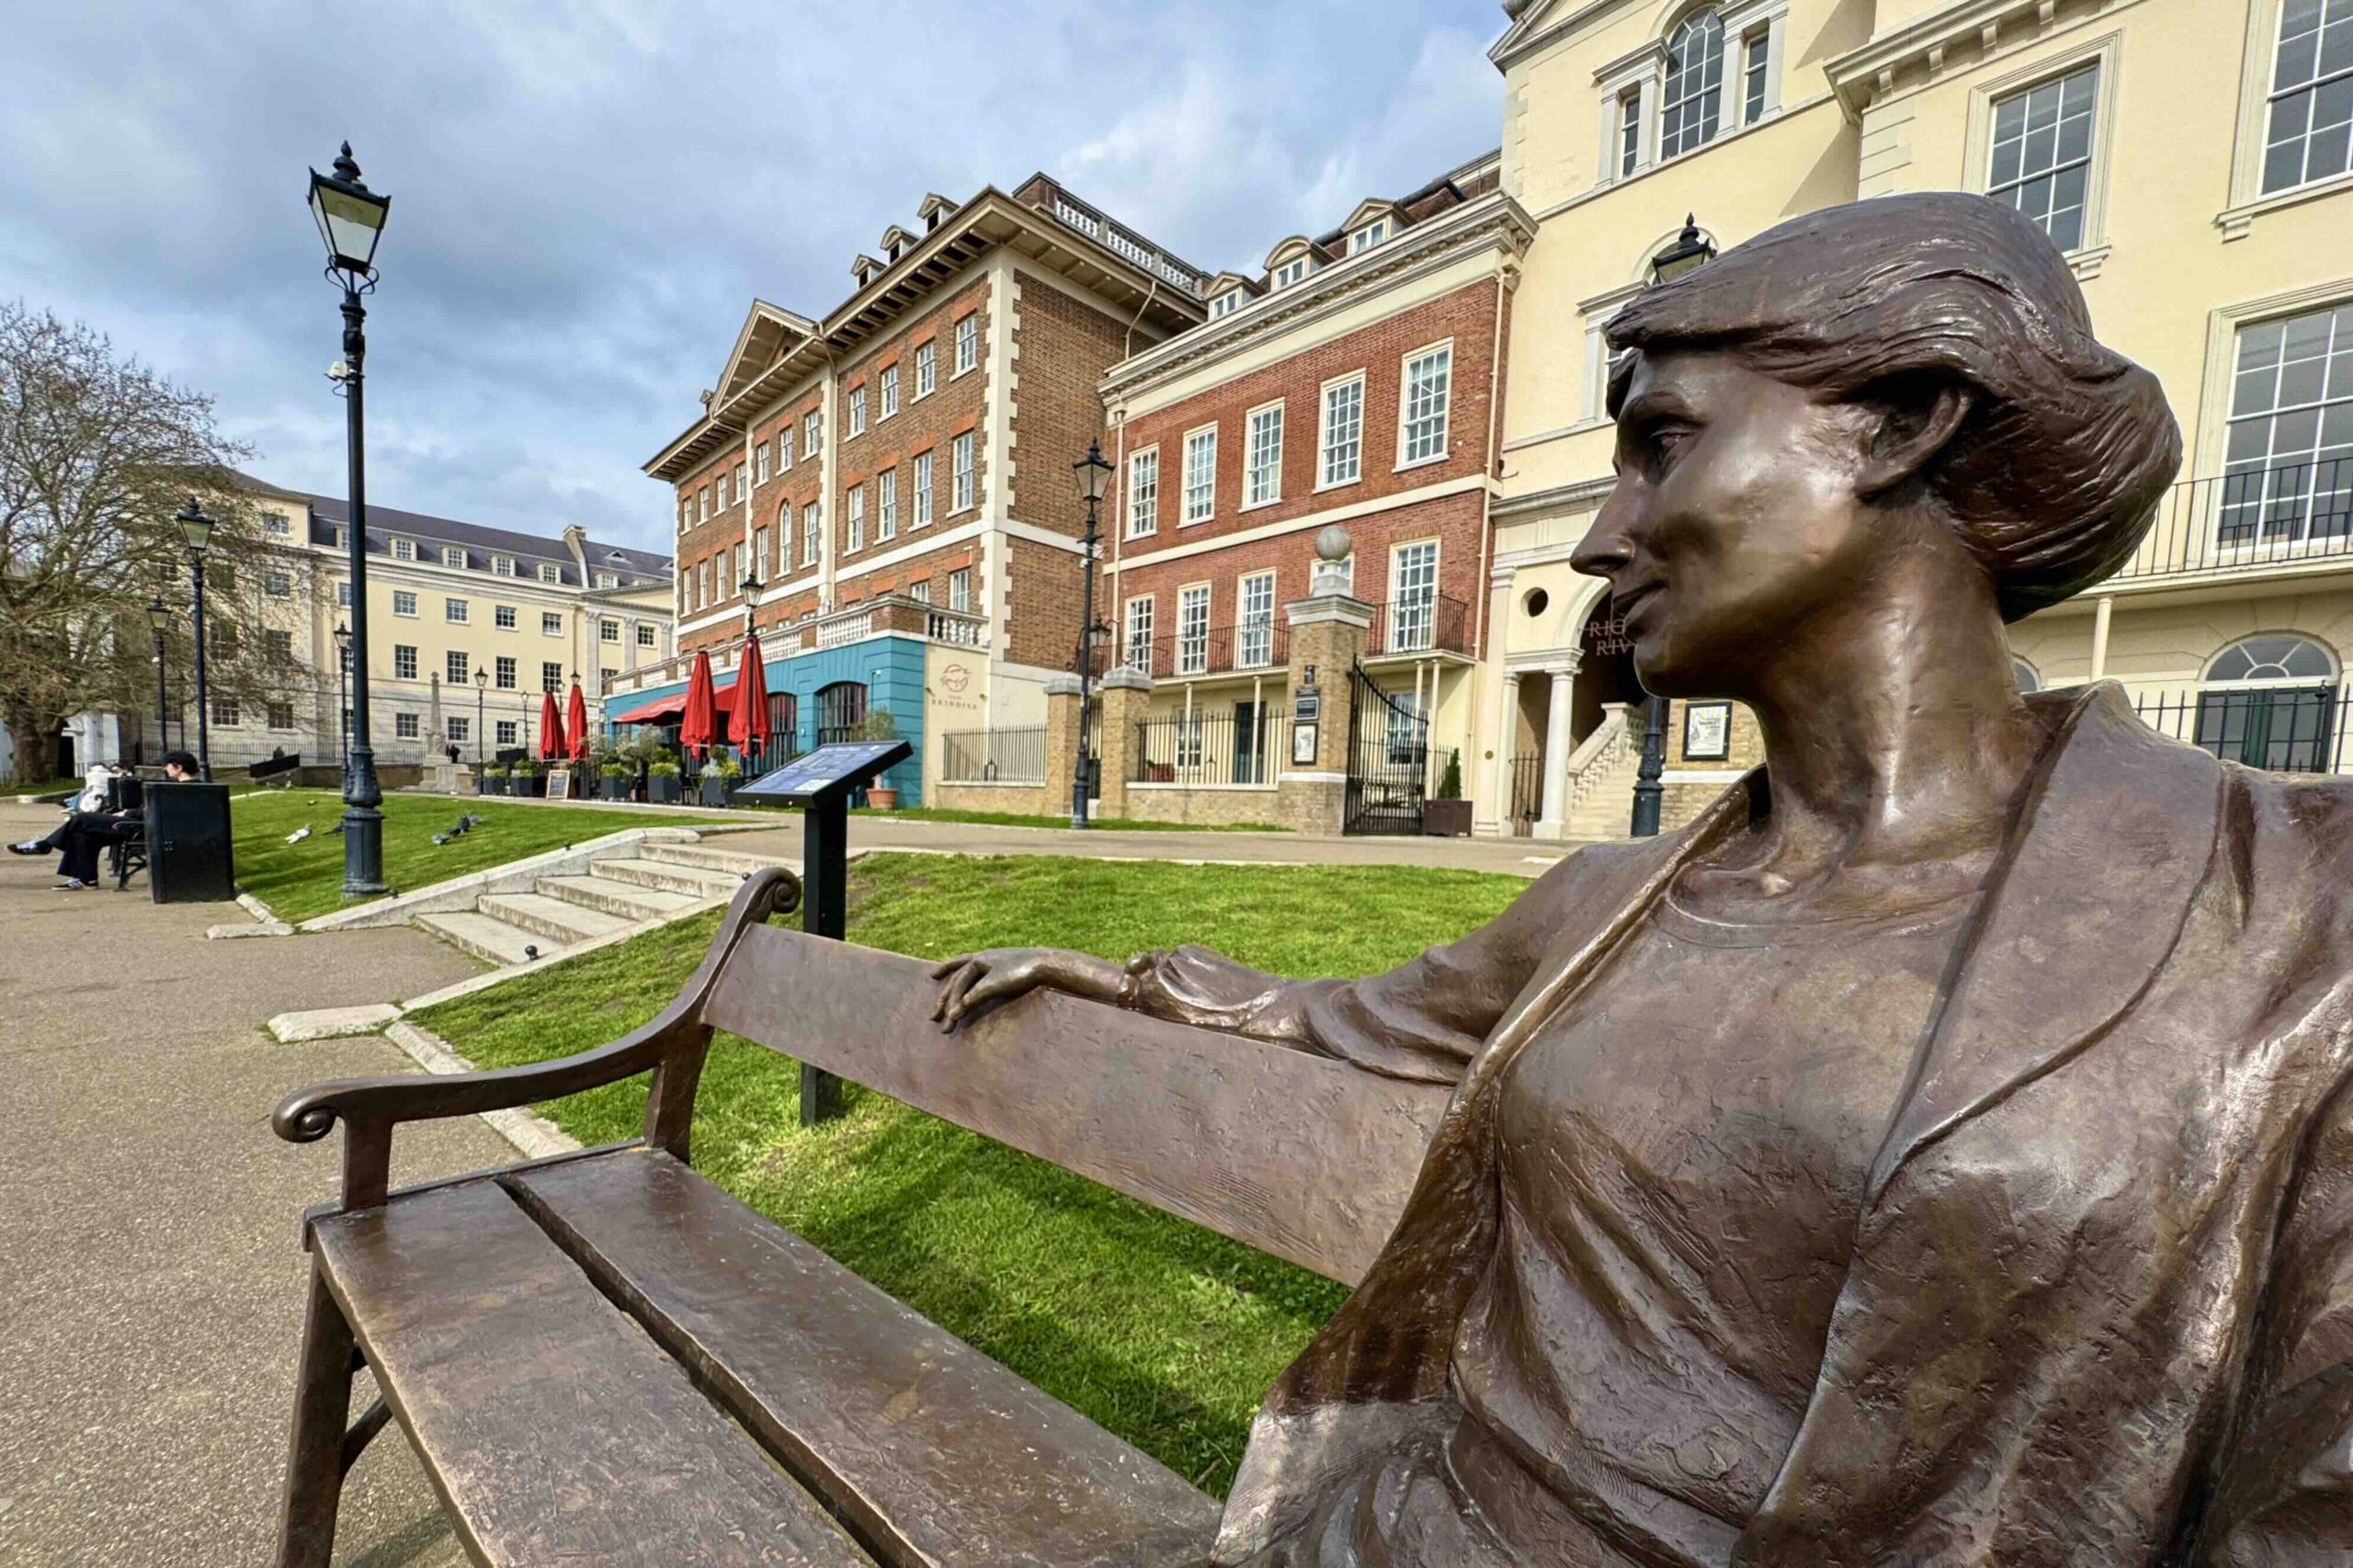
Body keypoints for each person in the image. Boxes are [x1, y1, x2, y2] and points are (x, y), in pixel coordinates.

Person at [930, 195, 2353, 1562]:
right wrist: (1111, 978)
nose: (1600, 541)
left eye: (1661, 444)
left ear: (1909, 422)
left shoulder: (2296, 910)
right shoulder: (1603, 898)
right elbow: (1335, 1014)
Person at [11, 751, 196, 888]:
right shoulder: (179, 787)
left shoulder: (184, 788)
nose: (165, 769)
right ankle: (87, 879)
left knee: (81, 819)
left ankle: (45, 845)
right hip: (142, 824)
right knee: (81, 833)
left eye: (167, 765)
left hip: (140, 827)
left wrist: (126, 814)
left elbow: (159, 811)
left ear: (178, 767)